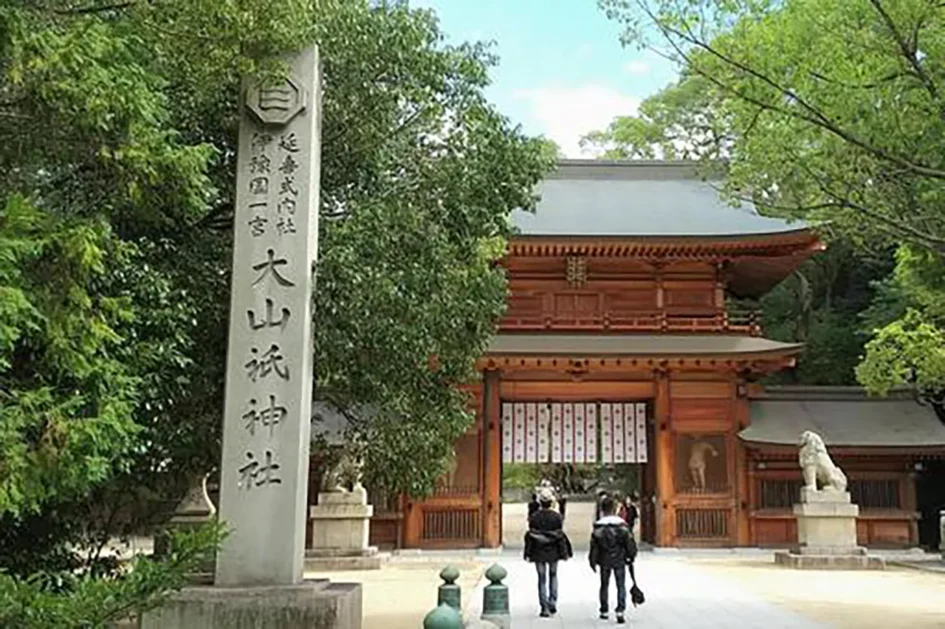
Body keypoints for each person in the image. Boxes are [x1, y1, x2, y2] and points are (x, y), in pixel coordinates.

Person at [524, 487, 573, 618]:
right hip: (553, 551)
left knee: (541, 578)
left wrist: (527, 553)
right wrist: (564, 553)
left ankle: (543, 606)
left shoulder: (534, 517)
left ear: (540, 502)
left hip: (538, 550)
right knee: (553, 575)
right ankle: (553, 601)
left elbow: (530, 536)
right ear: (551, 502)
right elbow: (560, 536)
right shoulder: (557, 517)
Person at [589, 495, 637, 624]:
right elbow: (629, 544)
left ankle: (604, 610)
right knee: (620, 585)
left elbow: (594, 547)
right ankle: (620, 610)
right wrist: (631, 556)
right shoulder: (622, 526)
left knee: (604, 584)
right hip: (619, 558)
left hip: (604, 559)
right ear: (615, 509)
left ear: (603, 510)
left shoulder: (598, 527)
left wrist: (592, 561)